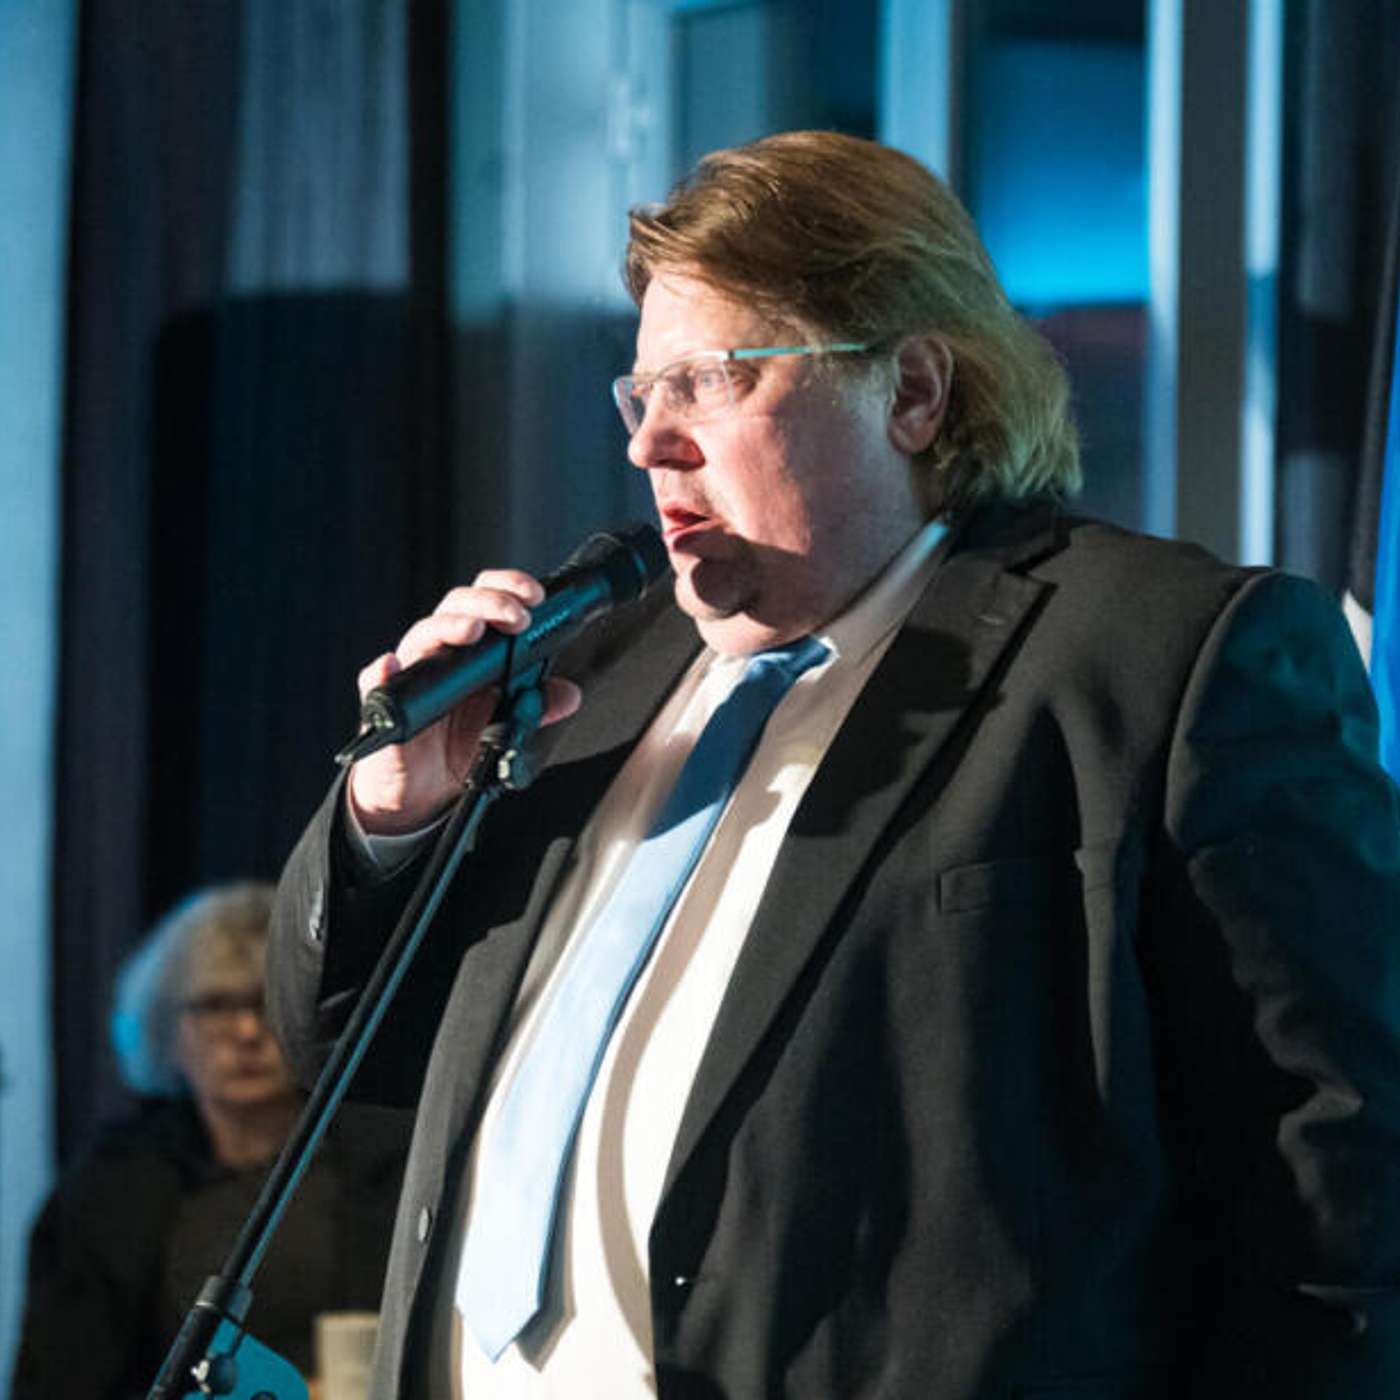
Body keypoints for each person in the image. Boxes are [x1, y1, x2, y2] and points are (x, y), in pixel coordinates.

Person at [266, 131, 1400, 1398]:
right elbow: (348, 1053)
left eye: (709, 381)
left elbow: (1335, 1192)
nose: (649, 445)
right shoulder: (585, 668)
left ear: (910, 391)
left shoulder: (1159, 661)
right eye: (641, 393)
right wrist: (394, 812)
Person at [12, 882, 410, 1400]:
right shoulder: (108, 1187)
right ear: (166, 1026)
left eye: (265, 1003)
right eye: (216, 1006)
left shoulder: (389, 1159)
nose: (246, 1031)